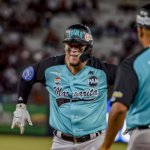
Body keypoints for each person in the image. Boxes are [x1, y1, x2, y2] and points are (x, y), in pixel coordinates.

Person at [11, 24, 117, 150]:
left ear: (88, 48)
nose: (73, 49)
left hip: (94, 142)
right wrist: (21, 106)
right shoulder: (50, 67)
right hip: (61, 142)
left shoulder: (103, 71)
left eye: (78, 46)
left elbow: (131, 82)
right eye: (69, 45)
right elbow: (26, 76)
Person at [99, 3, 150, 150]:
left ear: (139, 31)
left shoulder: (133, 64)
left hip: (144, 138)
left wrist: (105, 147)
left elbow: (118, 110)